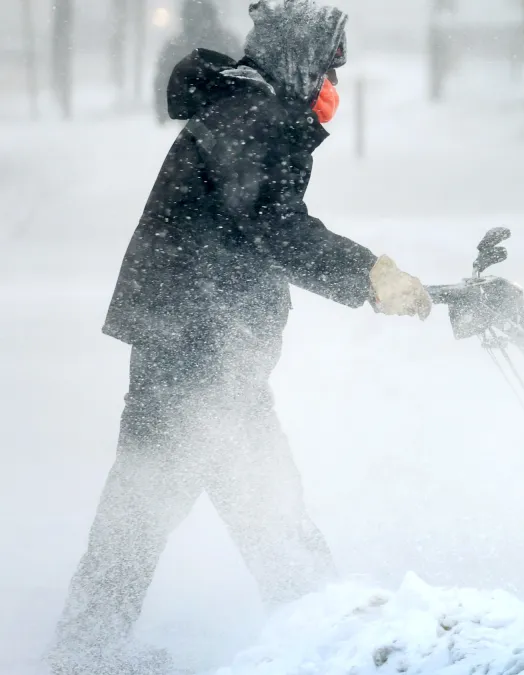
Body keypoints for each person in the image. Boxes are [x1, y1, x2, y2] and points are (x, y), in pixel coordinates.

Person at [45, 1, 432, 673]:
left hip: (198, 343)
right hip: (195, 348)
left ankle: (91, 646)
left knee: (207, 504)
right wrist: (368, 272)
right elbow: (273, 224)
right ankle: (324, 641)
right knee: (235, 506)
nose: (332, 91)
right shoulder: (254, 117)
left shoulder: (245, 110)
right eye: (329, 73)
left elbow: (250, 229)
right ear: (301, 63)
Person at [153, 0, 242, 124]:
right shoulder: (225, 40)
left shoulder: (178, 44)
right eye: (190, 17)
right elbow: (163, 76)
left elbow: (163, 76)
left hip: (214, 109)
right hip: (215, 109)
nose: (194, 22)